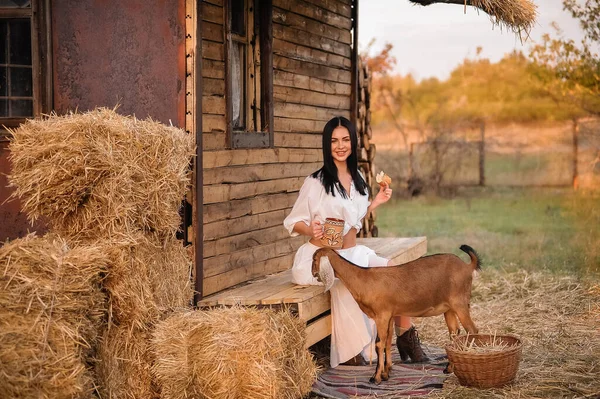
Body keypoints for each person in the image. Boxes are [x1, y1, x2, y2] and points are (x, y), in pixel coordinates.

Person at [283, 116, 427, 367]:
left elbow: (354, 220)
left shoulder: (358, 178)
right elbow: (292, 222)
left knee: (394, 271)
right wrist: (311, 230)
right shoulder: (315, 182)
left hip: (352, 252)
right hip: (321, 257)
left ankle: (406, 337)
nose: (340, 146)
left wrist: (376, 202)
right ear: (326, 145)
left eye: (345, 139)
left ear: (353, 142)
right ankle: (352, 351)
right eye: (334, 141)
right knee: (347, 280)